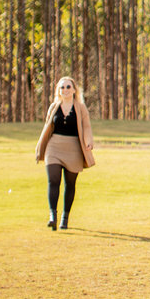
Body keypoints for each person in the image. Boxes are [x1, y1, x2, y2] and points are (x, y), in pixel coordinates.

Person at [34, 76, 95, 230]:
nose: (65, 90)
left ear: (74, 90)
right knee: (53, 180)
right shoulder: (54, 107)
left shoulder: (80, 108)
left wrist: (88, 141)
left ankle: (65, 218)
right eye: (62, 87)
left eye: (68, 87)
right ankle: (52, 216)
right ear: (58, 91)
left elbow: (87, 127)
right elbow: (47, 126)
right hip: (54, 146)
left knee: (70, 184)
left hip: (73, 148)